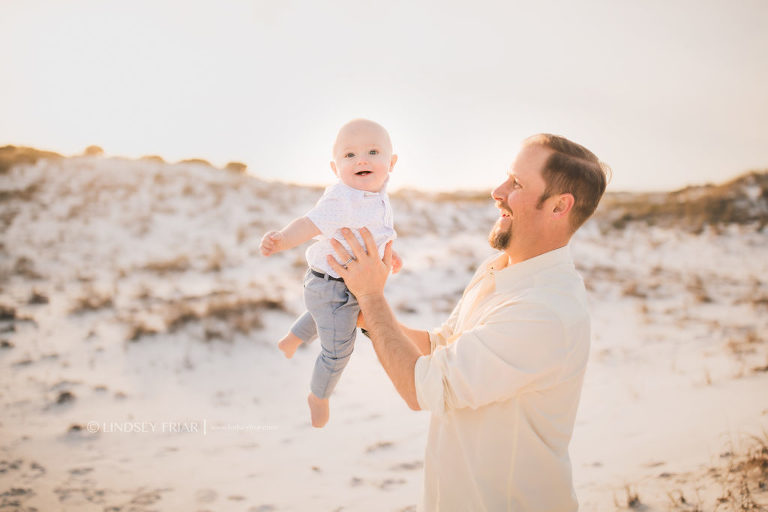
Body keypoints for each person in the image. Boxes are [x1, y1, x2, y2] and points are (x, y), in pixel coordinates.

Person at [325, 134, 610, 511]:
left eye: (517, 184)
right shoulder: (500, 269)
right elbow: (443, 346)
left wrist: (375, 298)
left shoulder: (544, 311)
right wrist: (360, 309)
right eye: (507, 177)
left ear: (560, 206)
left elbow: (421, 387)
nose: (498, 190)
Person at [259, 119, 402, 428]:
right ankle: (318, 396)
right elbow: (309, 223)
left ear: (391, 163)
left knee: (323, 315)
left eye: (373, 151)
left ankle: (291, 341)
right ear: (336, 168)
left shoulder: (378, 195)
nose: (361, 160)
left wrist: (389, 255)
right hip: (333, 286)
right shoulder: (343, 199)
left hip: (331, 286)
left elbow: (375, 233)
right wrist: (282, 239)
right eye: (349, 155)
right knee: (338, 350)